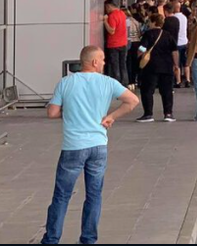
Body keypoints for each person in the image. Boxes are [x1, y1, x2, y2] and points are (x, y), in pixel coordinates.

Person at [41, 46, 139, 244]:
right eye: (102, 59)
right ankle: (88, 239)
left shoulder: (66, 82)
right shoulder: (108, 82)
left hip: (73, 146)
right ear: (94, 62)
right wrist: (111, 116)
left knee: (62, 195)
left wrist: (70, 112)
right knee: (94, 195)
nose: (104, 63)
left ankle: (51, 239)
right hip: (98, 146)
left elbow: (51, 112)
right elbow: (132, 101)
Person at [135, 14, 180, 123]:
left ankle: (148, 114)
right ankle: (168, 113)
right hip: (167, 66)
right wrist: (176, 65)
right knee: (167, 91)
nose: (148, 24)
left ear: (154, 22)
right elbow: (174, 51)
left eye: (150, 21)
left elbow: (142, 47)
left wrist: (139, 54)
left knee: (147, 90)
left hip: (151, 67)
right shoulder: (168, 35)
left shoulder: (148, 34)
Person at [102, 0, 129, 85]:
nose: (106, 10)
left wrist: (105, 21)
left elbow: (111, 31)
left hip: (114, 44)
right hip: (123, 43)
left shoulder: (112, 16)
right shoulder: (122, 14)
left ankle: (116, 85)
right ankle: (124, 83)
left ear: (109, 6)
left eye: (106, 7)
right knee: (123, 65)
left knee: (115, 67)